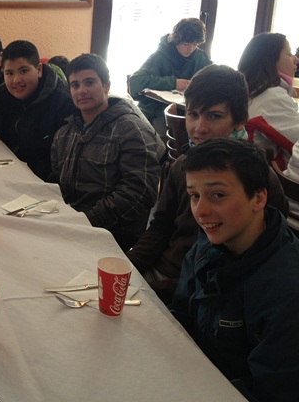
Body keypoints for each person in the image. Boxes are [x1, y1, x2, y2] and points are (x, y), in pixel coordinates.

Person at [127, 64, 288, 304]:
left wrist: (159, 291)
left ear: (240, 121)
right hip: (162, 272)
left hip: (203, 293)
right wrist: (128, 267)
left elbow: (252, 268)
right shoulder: (182, 166)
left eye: (214, 116)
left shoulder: (258, 178)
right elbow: (161, 226)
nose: (199, 129)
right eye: (193, 114)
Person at [170, 138, 299, 402]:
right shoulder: (209, 243)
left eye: (218, 195)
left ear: (258, 198)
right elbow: (181, 316)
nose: (200, 211)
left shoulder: (287, 291)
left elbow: (273, 390)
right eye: (194, 196)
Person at [50, 54, 165, 251]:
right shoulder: (64, 133)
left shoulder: (132, 130)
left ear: (106, 85)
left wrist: (85, 221)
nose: (82, 91)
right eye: (75, 85)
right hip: (70, 223)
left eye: (89, 82)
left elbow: (139, 192)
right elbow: (56, 179)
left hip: (112, 234)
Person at [0, 40, 75, 181]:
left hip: (40, 183)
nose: (16, 80)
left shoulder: (63, 103)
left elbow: (62, 166)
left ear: (39, 70)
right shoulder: (5, 95)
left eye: (23, 71)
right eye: (9, 73)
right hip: (8, 175)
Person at [128, 18, 211, 133]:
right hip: (157, 111)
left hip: (190, 110)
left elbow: (213, 79)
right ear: (176, 40)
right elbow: (135, 81)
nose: (190, 49)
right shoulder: (160, 56)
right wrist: (173, 83)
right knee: (173, 131)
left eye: (195, 44)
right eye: (186, 44)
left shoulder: (200, 57)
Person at [238, 32, 299, 161]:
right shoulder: (271, 96)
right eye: (289, 54)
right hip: (263, 171)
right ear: (270, 60)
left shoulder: (252, 90)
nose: (296, 60)